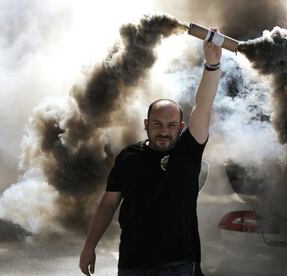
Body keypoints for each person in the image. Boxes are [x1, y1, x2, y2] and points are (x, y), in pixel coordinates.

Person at [79, 38, 222, 276]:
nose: (164, 131)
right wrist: (89, 246)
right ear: (146, 125)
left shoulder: (188, 151)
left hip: (177, 264)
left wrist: (212, 65)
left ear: (181, 127)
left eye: (171, 125)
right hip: (132, 263)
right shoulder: (128, 156)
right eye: (157, 124)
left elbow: (203, 106)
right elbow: (108, 204)